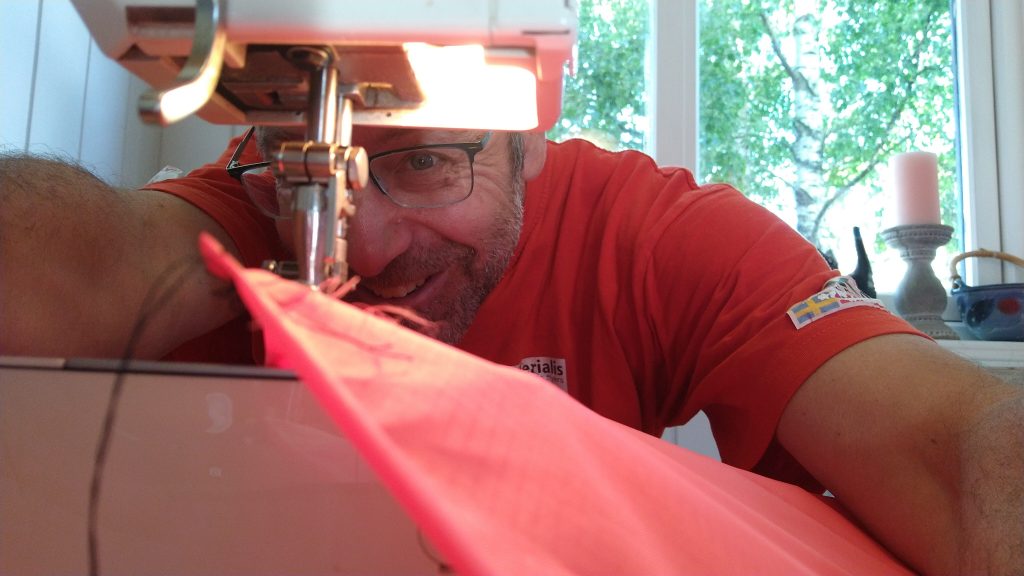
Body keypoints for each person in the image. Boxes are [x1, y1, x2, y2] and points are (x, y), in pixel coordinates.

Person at [1, 124, 1022, 575]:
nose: (370, 241)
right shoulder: (245, 206)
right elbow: (60, 272)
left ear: (527, 133)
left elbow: (963, 444)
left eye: (429, 161)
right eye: (313, 169)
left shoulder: (651, 234)